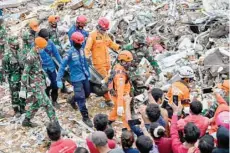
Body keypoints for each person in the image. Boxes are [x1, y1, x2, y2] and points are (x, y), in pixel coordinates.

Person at [20, 37, 58, 127]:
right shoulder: (30, 57)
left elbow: (39, 68)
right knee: (47, 104)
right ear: (37, 46)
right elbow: (25, 73)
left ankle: (26, 120)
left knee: (37, 103)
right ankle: (56, 125)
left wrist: (46, 77)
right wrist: (23, 88)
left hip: (40, 82)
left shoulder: (37, 54)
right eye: (41, 48)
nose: (43, 50)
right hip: (35, 85)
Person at [56, 32, 93, 127]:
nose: (81, 43)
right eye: (79, 42)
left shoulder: (82, 50)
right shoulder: (69, 53)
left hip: (84, 76)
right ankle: (85, 117)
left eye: (82, 42)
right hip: (76, 79)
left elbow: (85, 63)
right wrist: (59, 79)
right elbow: (62, 66)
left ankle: (72, 100)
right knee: (81, 98)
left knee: (87, 93)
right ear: (74, 41)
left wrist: (88, 74)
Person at [84, 17, 120, 107]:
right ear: (99, 27)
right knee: (104, 81)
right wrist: (87, 58)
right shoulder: (92, 36)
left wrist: (119, 48)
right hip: (99, 63)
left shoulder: (105, 35)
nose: (105, 31)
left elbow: (111, 43)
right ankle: (108, 99)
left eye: (106, 30)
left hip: (107, 62)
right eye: (104, 29)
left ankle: (112, 93)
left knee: (110, 78)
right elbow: (87, 49)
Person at [108, 51, 133, 129]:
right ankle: (128, 129)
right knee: (125, 113)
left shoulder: (117, 66)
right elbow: (120, 91)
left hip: (116, 93)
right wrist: (120, 105)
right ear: (123, 61)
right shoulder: (121, 76)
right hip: (121, 95)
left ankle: (109, 120)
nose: (130, 64)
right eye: (128, 62)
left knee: (115, 108)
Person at [38, 28, 62, 109]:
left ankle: (54, 101)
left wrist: (62, 64)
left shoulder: (50, 43)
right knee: (46, 87)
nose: (47, 39)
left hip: (51, 67)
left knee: (55, 85)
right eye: (45, 38)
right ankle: (47, 103)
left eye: (48, 37)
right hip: (43, 70)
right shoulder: (35, 45)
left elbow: (56, 53)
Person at [47, 15, 71, 94]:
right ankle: (60, 88)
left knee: (62, 69)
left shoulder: (56, 29)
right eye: (54, 22)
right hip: (53, 55)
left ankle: (63, 87)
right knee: (59, 70)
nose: (55, 23)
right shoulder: (48, 31)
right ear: (50, 23)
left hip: (59, 52)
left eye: (56, 22)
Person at [3, 36, 26, 117]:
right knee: (15, 94)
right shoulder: (7, 56)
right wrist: (9, 79)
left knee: (23, 92)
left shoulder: (20, 52)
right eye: (14, 44)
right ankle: (16, 110)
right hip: (13, 77)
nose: (16, 46)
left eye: (17, 44)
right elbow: (6, 70)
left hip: (22, 75)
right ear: (10, 45)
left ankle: (23, 107)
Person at [0, 17, 7, 83]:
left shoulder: (3, 30)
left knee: (2, 64)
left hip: (2, 50)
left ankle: (2, 79)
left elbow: (5, 41)